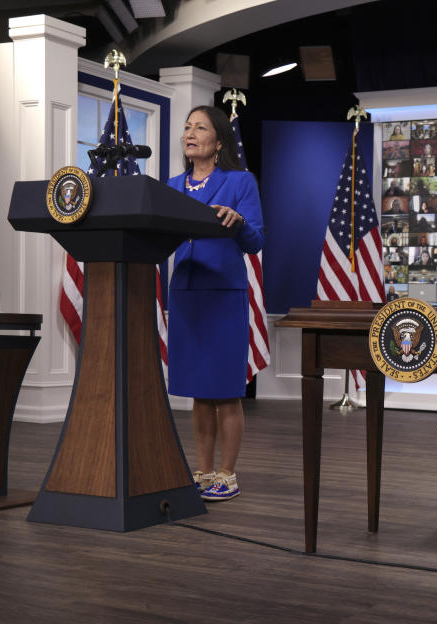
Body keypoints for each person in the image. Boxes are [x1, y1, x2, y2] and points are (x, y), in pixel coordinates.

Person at [168, 105, 266, 502]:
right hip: (186, 294)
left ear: (219, 141)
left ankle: (227, 472)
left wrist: (238, 221)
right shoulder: (172, 185)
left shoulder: (240, 182)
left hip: (224, 293)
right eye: (187, 127)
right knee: (197, 388)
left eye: (200, 127)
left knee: (224, 388)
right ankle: (203, 470)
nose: (190, 133)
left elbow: (257, 242)